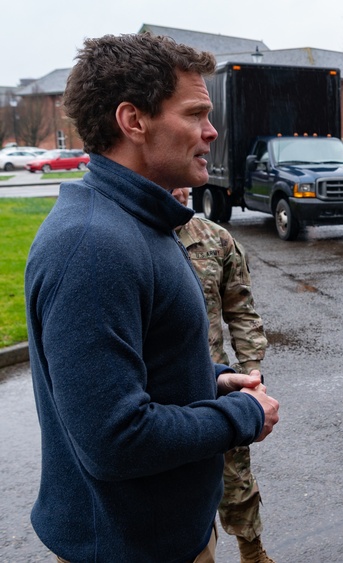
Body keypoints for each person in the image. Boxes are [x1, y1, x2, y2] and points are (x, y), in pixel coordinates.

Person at [24, 33, 280, 562]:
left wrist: (207, 379)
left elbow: (133, 369)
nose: (212, 132)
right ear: (133, 121)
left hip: (171, 535)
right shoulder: (93, 244)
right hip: (130, 549)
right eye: (195, 114)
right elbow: (116, 438)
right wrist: (240, 416)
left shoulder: (138, 223)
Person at [172, 188, 274, 563]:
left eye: (184, 186)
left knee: (236, 473)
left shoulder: (215, 239)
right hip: (165, 390)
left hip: (216, 382)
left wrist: (251, 372)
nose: (180, 191)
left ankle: (252, 551)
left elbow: (242, 311)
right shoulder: (140, 239)